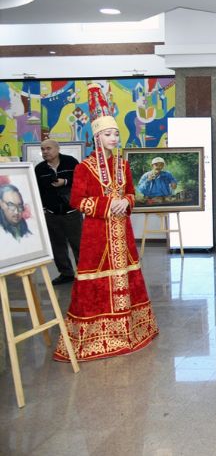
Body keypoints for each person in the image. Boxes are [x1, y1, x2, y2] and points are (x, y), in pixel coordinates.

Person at [54, 83, 158, 362]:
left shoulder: (123, 165)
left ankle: (132, 331)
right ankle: (96, 338)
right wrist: (107, 204)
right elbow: (77, 201)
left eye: (116, 134)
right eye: (108, 134)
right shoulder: (84, 168)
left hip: (122, 233)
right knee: (95, 280)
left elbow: (131, 193)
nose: (113, 138)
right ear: (97, 136)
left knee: (127, 275)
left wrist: (127, 202)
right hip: (97, 235)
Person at [34, 139, 83, 285]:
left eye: (48, 148)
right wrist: (42, 210)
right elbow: (37, 190)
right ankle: (66, 273)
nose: (45, 152)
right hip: (51, 214)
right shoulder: (39, 169)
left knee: (79, 244)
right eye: (42, 149)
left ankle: (84, 273)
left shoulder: (71, 162)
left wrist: (65, 182)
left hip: (72, 212)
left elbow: (81, 181)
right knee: (57, 246)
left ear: (57, 148)